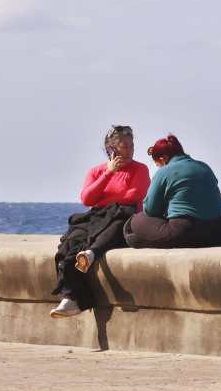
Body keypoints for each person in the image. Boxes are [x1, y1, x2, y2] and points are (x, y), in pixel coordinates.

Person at [51, 125, 150, 318]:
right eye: (124, 147)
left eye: (131, 146)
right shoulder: (97, 171)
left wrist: (102, 200)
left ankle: (91, 253)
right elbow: (87, 199)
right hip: (95, 217)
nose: (129, 151)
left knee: (119, 220)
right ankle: (69, 299)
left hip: (121, 216)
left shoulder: (140, 169)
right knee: (69, 245)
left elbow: (134, 196)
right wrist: (109, 173)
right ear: (111, 149)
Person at [124, 134, 221, 249]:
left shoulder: (164, 171)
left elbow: (150, 210)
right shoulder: (205, 166)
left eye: (158, 165)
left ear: (162, 160)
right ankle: (141, 240)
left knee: (136, 220)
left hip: (185, 232)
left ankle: (139, 240)